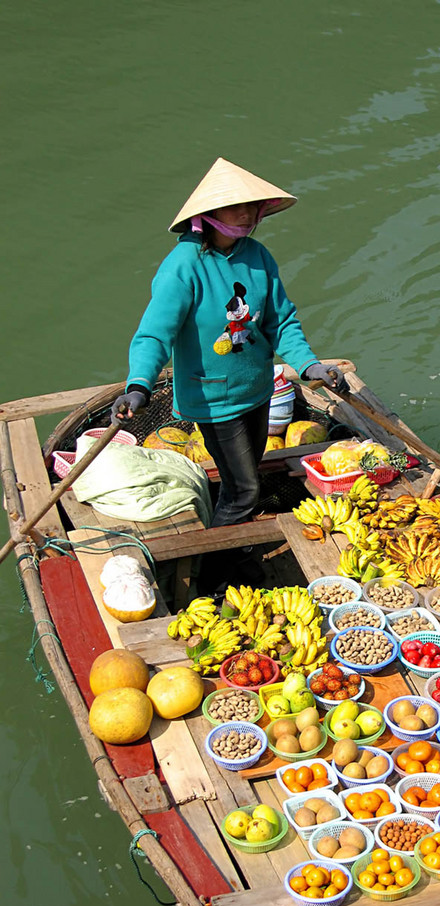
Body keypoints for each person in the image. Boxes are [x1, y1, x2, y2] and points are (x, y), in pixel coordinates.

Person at [111, 157, 348, 590]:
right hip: (212, 399)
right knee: (243, 490)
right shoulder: (183, 267)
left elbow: (281, 321)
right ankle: (215, 582)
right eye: (235, 206)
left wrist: (310, 364)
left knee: (246, 480)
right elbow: (153, 335)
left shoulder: (257, 256)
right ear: (208, 215)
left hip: (256, 389)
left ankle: (237, 556)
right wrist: (138, 386)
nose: (246, 214)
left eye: (251, 206)